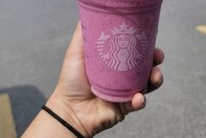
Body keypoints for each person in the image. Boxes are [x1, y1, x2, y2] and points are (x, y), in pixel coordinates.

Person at [22, 22, 165, 138]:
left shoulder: (133, 52)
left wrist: (67, 111)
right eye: (119, 39)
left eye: (126, 39)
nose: (123, 42)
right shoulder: (112, 54)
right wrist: (67, 110)